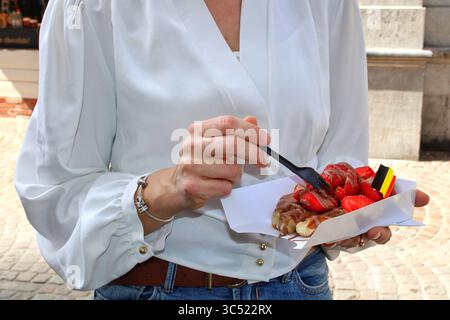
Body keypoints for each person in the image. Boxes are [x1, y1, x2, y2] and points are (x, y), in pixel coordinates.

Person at [14, 0, 429, 300]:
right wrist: (170, 189)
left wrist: (349, 219)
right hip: (156, 288)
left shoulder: (327, 6)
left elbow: (342, 160)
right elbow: (57, 194)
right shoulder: (91, 8)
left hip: (301, 284)